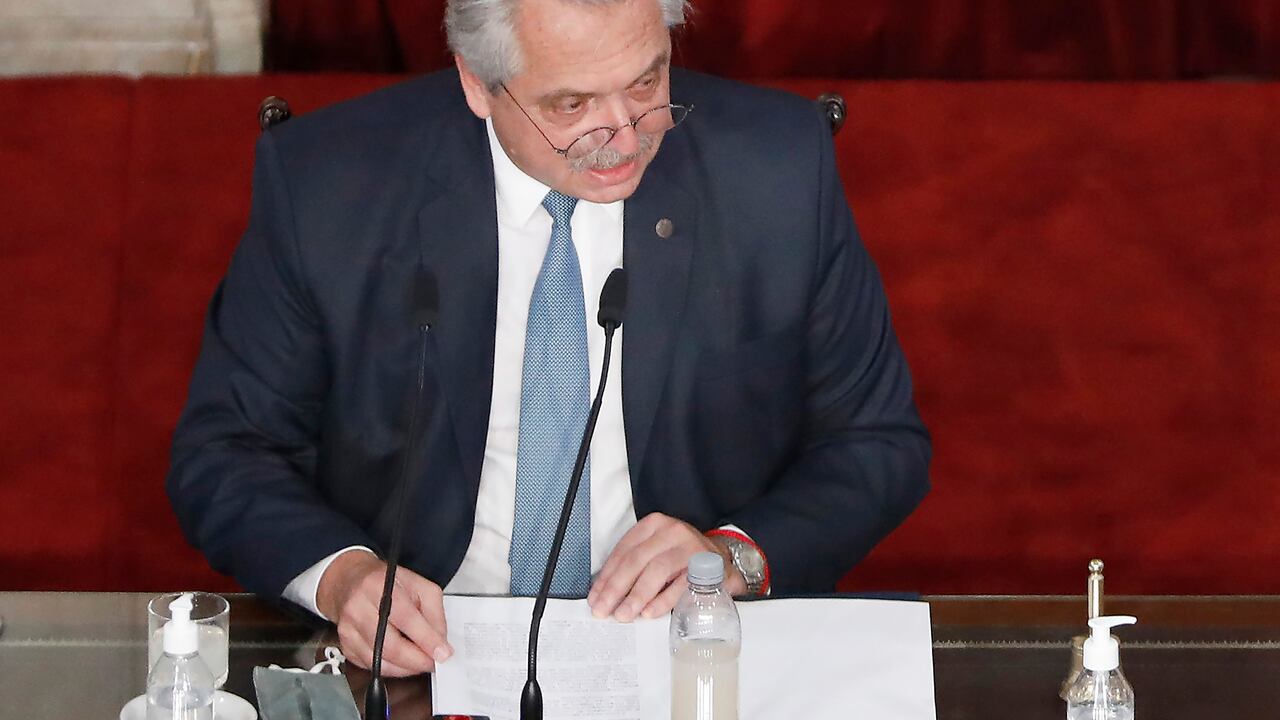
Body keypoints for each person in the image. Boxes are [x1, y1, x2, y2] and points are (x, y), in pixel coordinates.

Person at [168, 0, 931, 678]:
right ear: (476, 83)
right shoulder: (330, 186)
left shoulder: (777, 167)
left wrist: (733, 555)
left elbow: (877, 443)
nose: (624, 135)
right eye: (570, 104)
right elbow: (226, 451)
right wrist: (343, 578)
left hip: (687, 652)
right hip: (427, 653)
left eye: (645, 82)